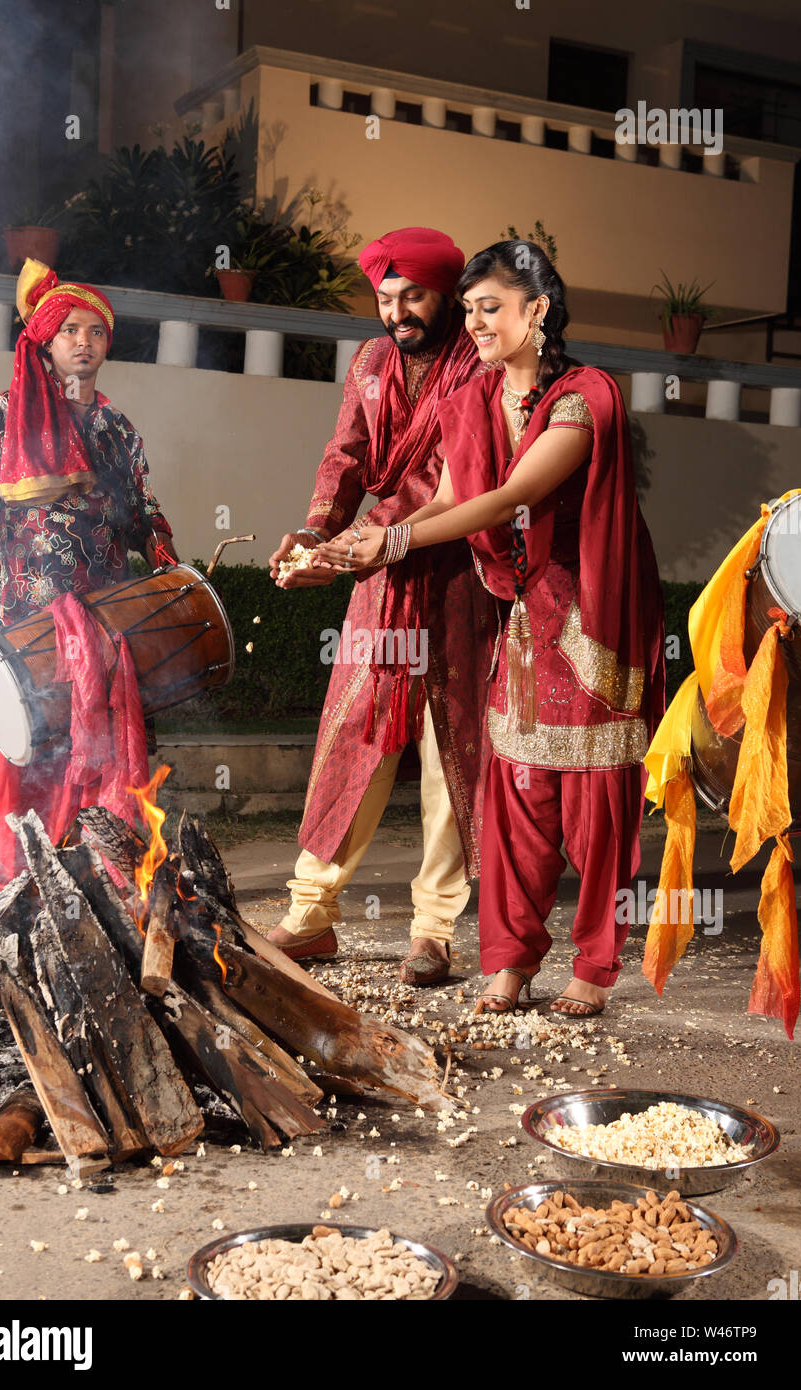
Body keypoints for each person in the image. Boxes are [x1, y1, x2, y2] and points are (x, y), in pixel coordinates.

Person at [318, 240, 665, 1016]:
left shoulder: (586, 396)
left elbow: (513, 495)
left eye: (491, 307)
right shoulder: (469, 401)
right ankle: (509, 961)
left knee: (594, 800)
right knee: (516, 795)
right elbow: (445, 497)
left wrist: (400, 539)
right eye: (469, 309)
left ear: (536, 310)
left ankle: (594, 967)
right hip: (521, 619)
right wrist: (371, 538)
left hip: (593, 615)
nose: (474, 323)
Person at [267, 227, 497, 984]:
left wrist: (383, 536)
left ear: (447, 295)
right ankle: (311, 915)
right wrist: (313, 534)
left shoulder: (481, 366)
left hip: (460, 573)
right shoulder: (369, 362)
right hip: (380, 578)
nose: (396, 312)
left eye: (413, 297)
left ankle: (433, 932)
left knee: (449, 749)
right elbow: (347, 457)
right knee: (353, 738)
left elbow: (473, 481)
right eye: (386, 298)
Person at [0, 260, 178, 891]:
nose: (84, 341)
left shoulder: (116, 428)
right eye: (70, 329)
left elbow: (143, 512)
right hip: (25, 609)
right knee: (24, 731)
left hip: (103, 610)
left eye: (96, 332)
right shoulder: (3, 412)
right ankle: (15, 874)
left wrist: (165, 562)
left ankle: (91, 868)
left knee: (91, 731)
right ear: (45, 340)